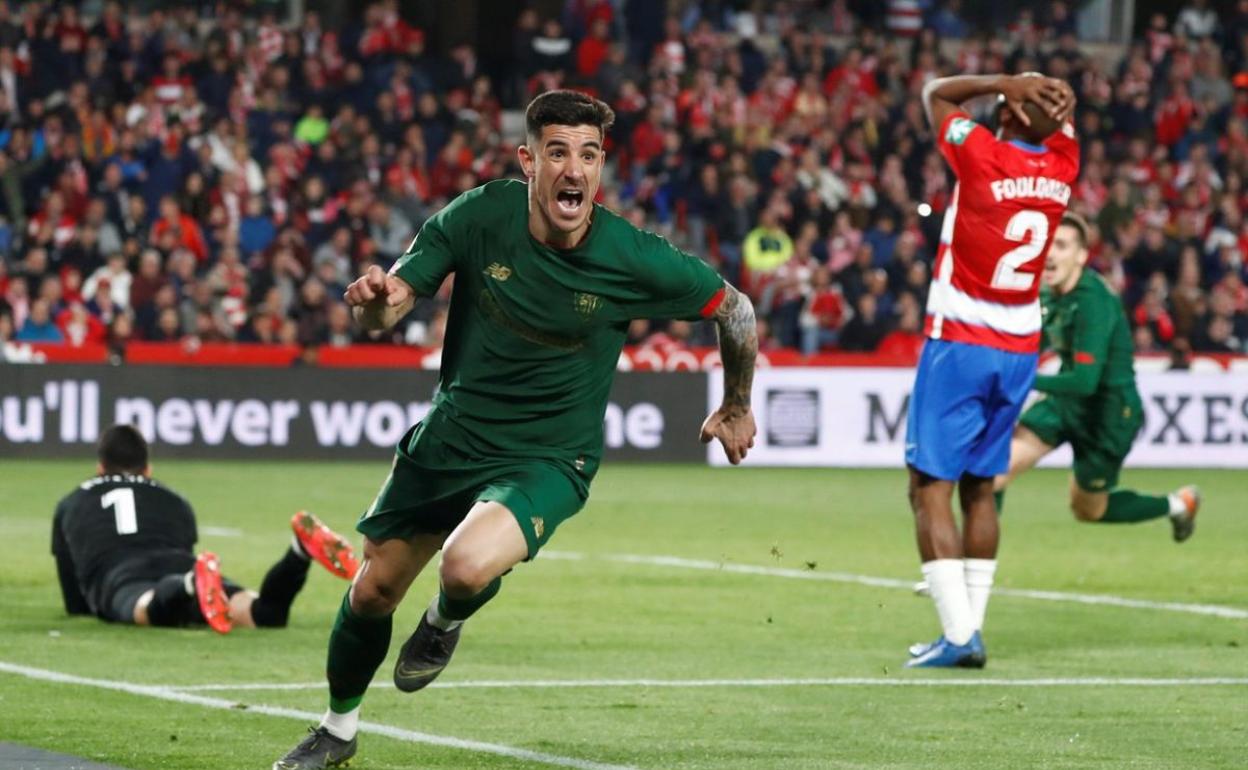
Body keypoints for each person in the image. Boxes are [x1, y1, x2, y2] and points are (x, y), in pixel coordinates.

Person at [272, 90, 758, 770]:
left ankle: (444, 621)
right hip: (452, 435)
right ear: (528, 161)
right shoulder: (477, 218)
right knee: (374, 588)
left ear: (600, 169)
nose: (574, 169)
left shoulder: (631, 255)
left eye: (588, 155)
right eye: (558, 152)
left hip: (549, 457)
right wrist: (375, 307)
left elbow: (734, 309)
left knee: (465, 565)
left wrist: (736, 402)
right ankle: (337, 731)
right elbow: (395, 302)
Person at [904, 73, 1079, 668]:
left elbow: (936, 94)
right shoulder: (1063, 163)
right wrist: (1041, 99)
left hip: (960, 339)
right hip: (1021, 347)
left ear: (1007, 114)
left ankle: (958, 637)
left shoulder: (981, 154)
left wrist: (1003, 81)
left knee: (929, 487)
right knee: (981, 487)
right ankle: (968, 630)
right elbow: (1059, 122)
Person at [995, 214, 1201, 538]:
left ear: (1081, 256)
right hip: (1065, 404)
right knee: (994, 472)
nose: (1049, 254)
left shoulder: (1095, 301)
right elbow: (1039, 341)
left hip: (1109, 415)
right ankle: (972, 575)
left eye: (1061, 246)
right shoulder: (1050, 294)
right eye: (1046, 245)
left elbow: (1084, 381)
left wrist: (1019, 381)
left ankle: (1178, 504)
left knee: (1088, 510)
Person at [53, 424, 359, 634]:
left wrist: (87, 609)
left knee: (147, 608)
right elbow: (185, 546)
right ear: (148, 469)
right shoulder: (174, 499)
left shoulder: (72, 502)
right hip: (180, 563)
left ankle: (188, 584)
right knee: (265, 615)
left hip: (123, 574)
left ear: (99, 467)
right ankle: (298, 552)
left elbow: (74, 600)